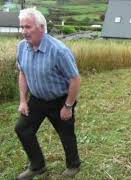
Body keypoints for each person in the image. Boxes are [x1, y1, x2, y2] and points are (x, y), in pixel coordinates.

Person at [15, 8, 81, 179]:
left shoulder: (59, 51)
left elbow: (75, 79)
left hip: (60, 99)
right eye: (22, 27)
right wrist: (23, 100)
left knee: (66, 133)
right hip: (37, 99)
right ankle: (38, 166)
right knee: (22, 129)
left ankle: (73, 165)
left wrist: (68, 106)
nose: (24, 32)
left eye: (28, 27)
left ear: (42, 28)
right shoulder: (22, 47)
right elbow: (22, 73)